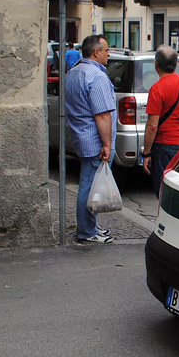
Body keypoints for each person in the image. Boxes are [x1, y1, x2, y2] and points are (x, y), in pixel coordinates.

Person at [65, 34, 117, 244]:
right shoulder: (96, 76)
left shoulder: (74, 72)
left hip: (81, 137)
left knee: (88, 184)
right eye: (106, 51)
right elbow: (102, 114)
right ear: (96, 52)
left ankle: (90, 227)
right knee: (89, 186)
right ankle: (87, 231)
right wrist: (107, 143)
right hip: (95, 140)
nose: (108, 54)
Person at [141, 45, 179, 197]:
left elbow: (152, 125)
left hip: (165, 147)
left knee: (164, 192)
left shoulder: (157, 89)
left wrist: (146, 153)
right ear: (175, 64)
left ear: (156, 65)